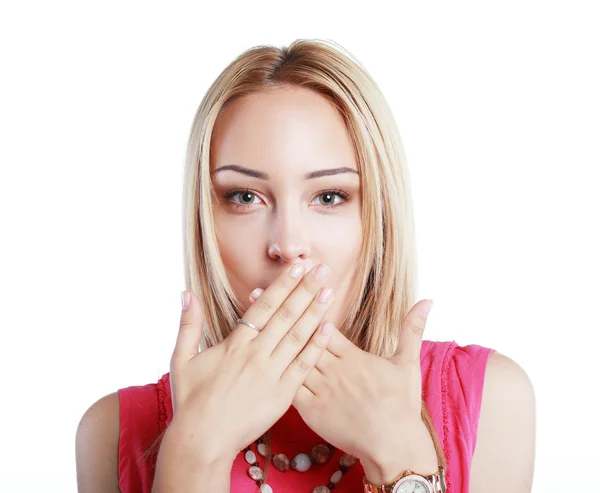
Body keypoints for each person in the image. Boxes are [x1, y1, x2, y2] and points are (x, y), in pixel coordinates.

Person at [75, 39, 536, 493]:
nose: (288, 245)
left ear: (378, 218)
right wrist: (195, 456)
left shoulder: (488, 401)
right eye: (244, 197)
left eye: (329, 197)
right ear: (203, 219)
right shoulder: (115, 432)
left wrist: (401, 458)